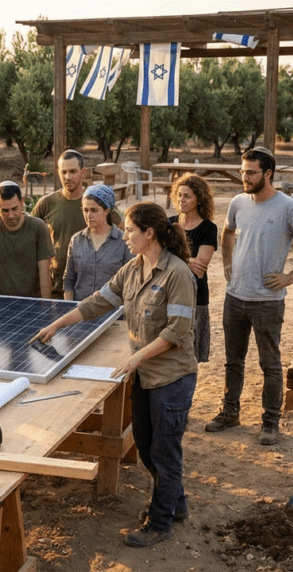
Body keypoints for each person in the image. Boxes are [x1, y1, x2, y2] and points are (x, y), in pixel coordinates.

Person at [31, 202, 196, 548]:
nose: (124, 235)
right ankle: (175, 504)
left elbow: (176, 333)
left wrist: (136, 357)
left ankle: (160, 522)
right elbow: (97, 303)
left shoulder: (178, 274)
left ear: (149, 234)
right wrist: (55, 325)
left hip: (170, 379)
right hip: (144, 376)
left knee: (164, 453)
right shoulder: (134, 268)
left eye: (131, 230)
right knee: (149, 450)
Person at [206, 147, 293, 446]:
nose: (244, 177)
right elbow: (227, 232)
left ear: (268, 174)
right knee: (233, 361)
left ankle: (270, 422)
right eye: (242, 171)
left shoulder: (287, 207)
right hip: (235, 298)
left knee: (270, 365)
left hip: (268, 303)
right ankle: (230, 412)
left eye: (250, 172)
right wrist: (227, 264)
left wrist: (290, 277)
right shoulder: (237, 202)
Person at [33, 149, 122, 299]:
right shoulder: (46, 203)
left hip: (91, 288)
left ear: (83, 172)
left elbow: (124, 231)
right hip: (57, 286)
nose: (68, 177)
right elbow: (30, 235)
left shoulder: (97, 201)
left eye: (73, 171)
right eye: (63, 172)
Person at [0, 181, 56, 305]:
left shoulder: (38, 227)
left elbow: (44, 270)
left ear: (22, 202)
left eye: (15, 209)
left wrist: (46, 306)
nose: (11, 216)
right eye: (5, 210)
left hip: (32, 302)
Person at [168, 174, 218, 363]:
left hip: (195, 297)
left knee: (190, 355)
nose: (182, 200)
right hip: (169, 294)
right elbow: (158, 258)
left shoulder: (208, 229)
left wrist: (172, 258)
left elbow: (200, 267)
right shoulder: (169, 223)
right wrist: (188, 261)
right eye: (179, 195)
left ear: (199, 199)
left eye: (187, 196)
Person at [63, 185, 133, 301]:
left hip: (112, 312)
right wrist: (69, 307)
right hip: (79, 310)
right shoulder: (77, 240)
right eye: (85, 210)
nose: (89, 216)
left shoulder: (124, 241)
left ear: (107, 210)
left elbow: (130, 282)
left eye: (94, 210)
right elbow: (69, 279)